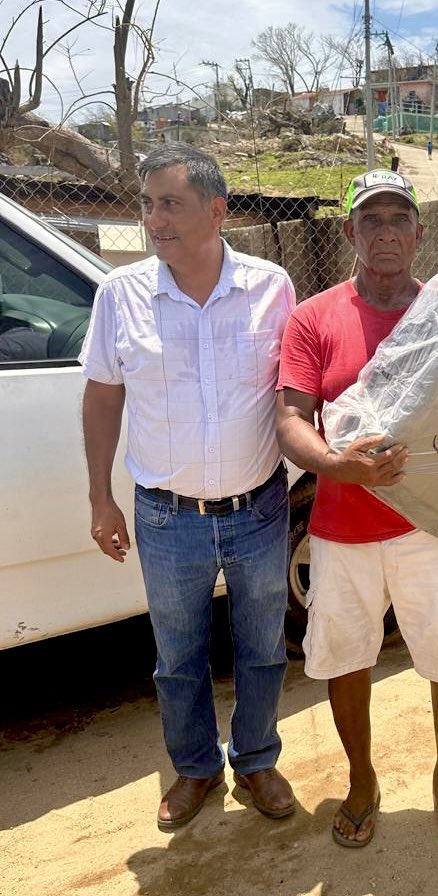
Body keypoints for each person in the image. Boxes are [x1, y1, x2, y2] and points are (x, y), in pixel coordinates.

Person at [275, 169, 438, 849]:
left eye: (398, 220)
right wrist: (335, 464)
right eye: (371, 220)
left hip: (432, 526)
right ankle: (362, 779)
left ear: (419, 233)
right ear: (350, 231)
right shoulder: (313, 318)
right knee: (346, 657)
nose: (385, 233)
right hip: (341, 528)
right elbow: (293, 417)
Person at [80, 144, 298, 830]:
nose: (153, 219)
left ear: (216, 209)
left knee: (263, 646)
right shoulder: (122, 296)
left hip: (259, 507)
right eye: (147, 204)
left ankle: (257, 758)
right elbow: (102, 398)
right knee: (177, 657)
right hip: (166, 515)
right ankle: (196, 767)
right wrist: (99, 495)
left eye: (169, 203)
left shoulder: (271, 287)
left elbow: (294, 390)